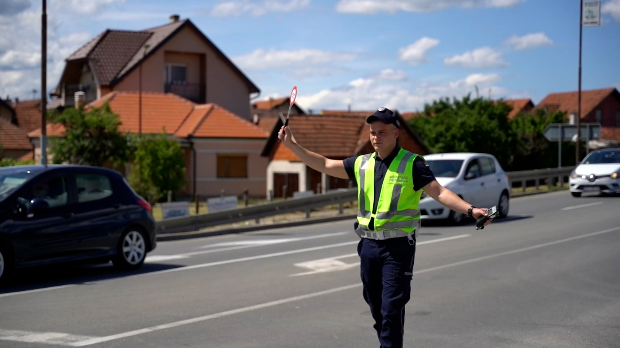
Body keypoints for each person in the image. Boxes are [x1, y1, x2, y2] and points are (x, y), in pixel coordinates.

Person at [277, 107, 493, 348]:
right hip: (368, 246)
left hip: (397, 247)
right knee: (377, 308)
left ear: (396, 133)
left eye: (382, 132)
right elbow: (326, 164)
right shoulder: (362, 163)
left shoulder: (412, 163)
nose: (376, 137)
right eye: (372, 132)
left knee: (391, 308)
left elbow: (440, 192)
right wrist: (292, 145)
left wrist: (471, 210)